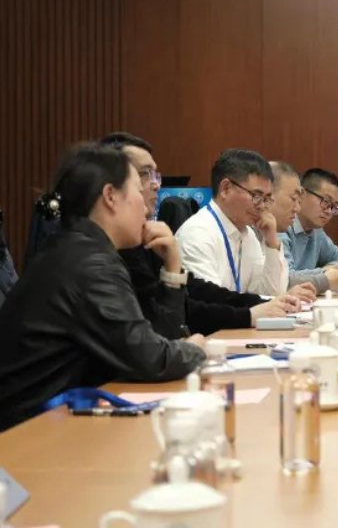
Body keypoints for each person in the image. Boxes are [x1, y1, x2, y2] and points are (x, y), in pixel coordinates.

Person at [0, 143, 205, 432]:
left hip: (53, 422)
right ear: (110, 196)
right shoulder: (90, 262)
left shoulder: (77, 248)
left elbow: (155, 341)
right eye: (138, 190)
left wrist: (172, 268)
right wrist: (197, 349)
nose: (147, 203)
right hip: (28, 436)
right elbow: (150, 358)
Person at [99, 133, 293, 336]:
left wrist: (269, 302)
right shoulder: (196, 233)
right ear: (110, 192)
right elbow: (167, 322)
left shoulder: (248, 234)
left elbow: (196, 294)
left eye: (156, 175)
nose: (156, 184)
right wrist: (250, 314)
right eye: (145, 174)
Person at [176, 149, 289, 296]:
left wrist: (271, 242)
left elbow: (271, 293)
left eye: (266, 198)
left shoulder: (247, 235)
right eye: (256, 195)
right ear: (225, 189)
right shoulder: (196, 234)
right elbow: (211, 301)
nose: (262, 206)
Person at [280, 168, 338, 293]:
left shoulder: (316, 231)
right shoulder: (281, 225)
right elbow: (284, 278)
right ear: (302, 194)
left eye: (334, 206)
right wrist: (327, 272)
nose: (329, 211)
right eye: (326, 201)